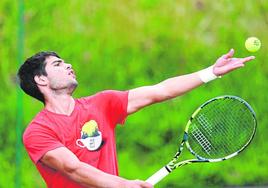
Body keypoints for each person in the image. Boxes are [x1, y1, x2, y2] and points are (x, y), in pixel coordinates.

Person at [17, 49, 254, 188]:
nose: (68, 65)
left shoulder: (102, 103)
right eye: (58, 64)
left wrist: (210, 72)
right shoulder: (38, 131)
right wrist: (125, 185)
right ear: (41, 80)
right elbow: (73, 168)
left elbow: (161, 91)